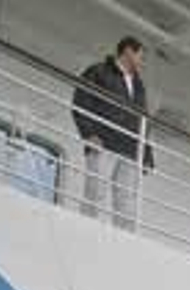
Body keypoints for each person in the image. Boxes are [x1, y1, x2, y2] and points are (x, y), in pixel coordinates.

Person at [72, 37, 154, 228]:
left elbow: (143, 119)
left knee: (125, 200)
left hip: (130, 148)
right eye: (140, 56)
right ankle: (85, 229)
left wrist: (146, 152)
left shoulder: (138, 84)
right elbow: (81, 100)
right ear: (128, 51)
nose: (141, 62)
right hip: (103, 141)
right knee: (96, 190)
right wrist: (88, 133)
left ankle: (123, 241)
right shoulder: (98, 71)